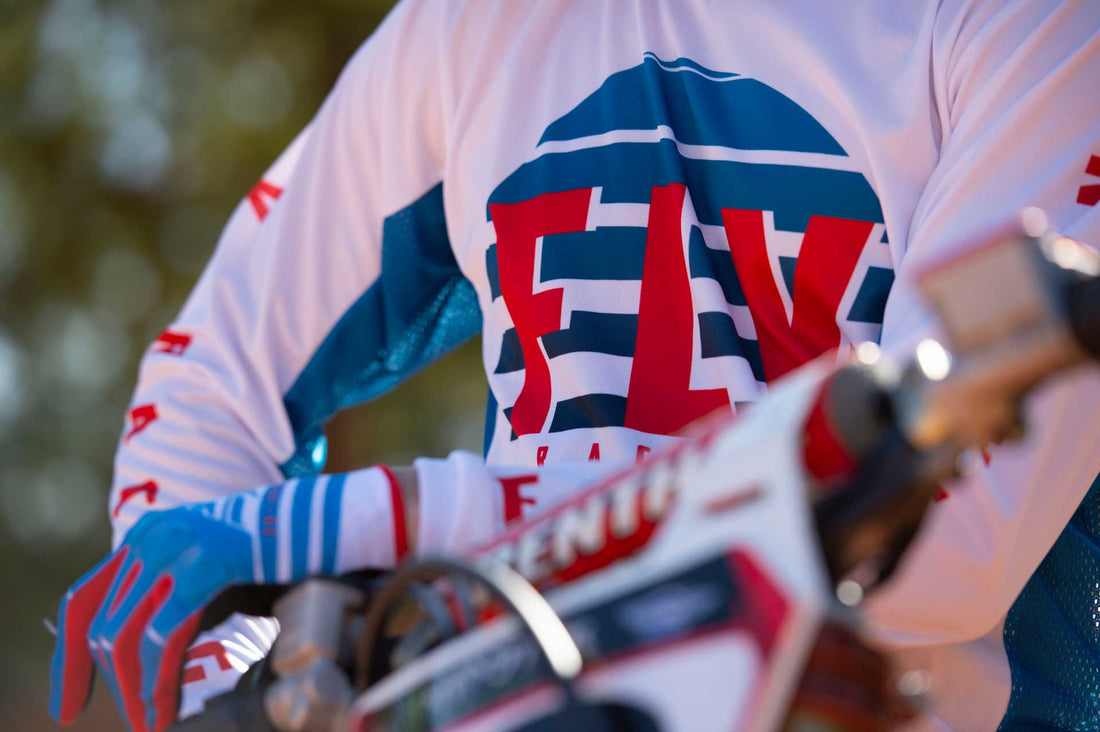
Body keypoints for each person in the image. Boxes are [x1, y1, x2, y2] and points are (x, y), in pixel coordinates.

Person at [49, 1, 1100, 730]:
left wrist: (392, 520)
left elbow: (935, 539)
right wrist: (214, 688)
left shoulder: (1041, 21)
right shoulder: (465, 28)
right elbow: (208, 385)